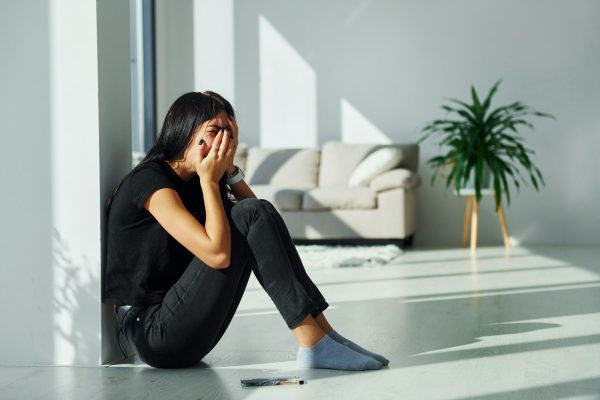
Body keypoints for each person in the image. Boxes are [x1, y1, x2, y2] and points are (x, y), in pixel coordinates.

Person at [102, 91, 390, 370]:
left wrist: (228, 172)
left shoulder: (196, 182)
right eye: (215, 131)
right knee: (249, 214)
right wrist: (210, 181)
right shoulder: (150, 181)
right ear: (185, 130)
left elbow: (262, 230)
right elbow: (217, 255)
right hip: (152, 333)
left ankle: (324, 335)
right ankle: (314, 343)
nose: (224, 141)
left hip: (184, 326)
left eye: (230, 133)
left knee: (256, 210)